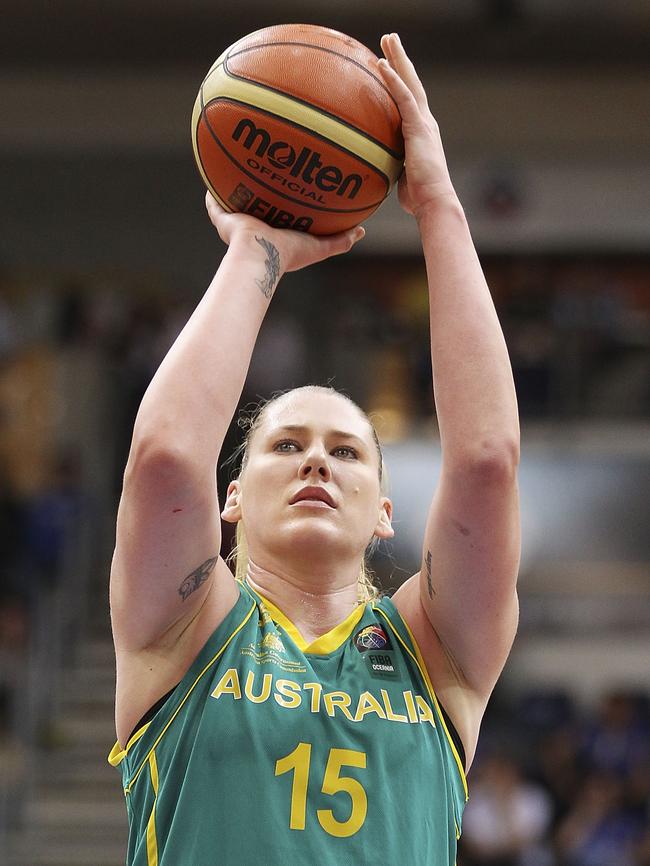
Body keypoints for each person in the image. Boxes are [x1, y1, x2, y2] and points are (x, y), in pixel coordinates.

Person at [108, 33, 520, 865]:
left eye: (348, 452)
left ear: (384, 512)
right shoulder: (186, 629)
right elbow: (163, 459)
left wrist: (437, 203)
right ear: (230, 498)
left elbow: (483, 461)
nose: (317, 461)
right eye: (285, 444)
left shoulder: (434, 654)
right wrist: (257, 252)